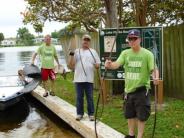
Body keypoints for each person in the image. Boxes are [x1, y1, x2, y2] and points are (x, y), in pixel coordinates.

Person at [105, 29, 159, 138]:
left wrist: (156, 77)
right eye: (130, 39)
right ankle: (131, 135)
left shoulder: (147, 54)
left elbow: (154, 69)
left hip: (142, 90)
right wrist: (109, 65)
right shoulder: (125, 53)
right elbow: (116, 64)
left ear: (140, 39)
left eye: (135, 38)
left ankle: (139, 136)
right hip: (128, 91)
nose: (132, 41)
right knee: (130, 115)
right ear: (128, 40)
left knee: (141, 116)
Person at [68, 34, 101, 121]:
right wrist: (71, 55)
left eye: (87, 40)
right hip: (78, 79)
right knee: (79, 97)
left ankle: (91, 114)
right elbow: (71, 65)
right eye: (84, 39)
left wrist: (97, 65)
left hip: (89, 79)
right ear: (82, 41)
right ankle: (79, 114)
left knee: (89, 97)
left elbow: (97, 65)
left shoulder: (93, 52)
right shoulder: (77, 51)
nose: (86, 41)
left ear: (89, 42)